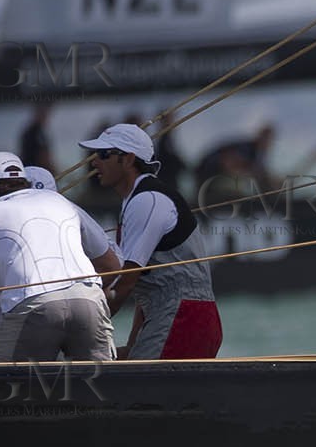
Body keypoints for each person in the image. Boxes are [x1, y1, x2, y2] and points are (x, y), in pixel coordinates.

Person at [0, 152, 118, 361]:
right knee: (101, 388)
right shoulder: (59, 201)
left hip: (33, 304)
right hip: (89, 300)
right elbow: (111, 265)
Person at [81, 123, 223, 359]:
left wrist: (84, 329)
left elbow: (126, 282)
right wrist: (134, 342)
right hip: (179, 318)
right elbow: (146, 286)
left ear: (128, 159)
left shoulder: (147, 201)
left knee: (141, 393)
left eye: (104, 154)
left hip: (184, 318)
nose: (94, 162)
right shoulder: (135, 200)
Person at [19, 103, 56, 174]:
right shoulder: (36, 133)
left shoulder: (29, 132)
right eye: (43, 113)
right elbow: (43, 157)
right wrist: (52, 170)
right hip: (37, 172)